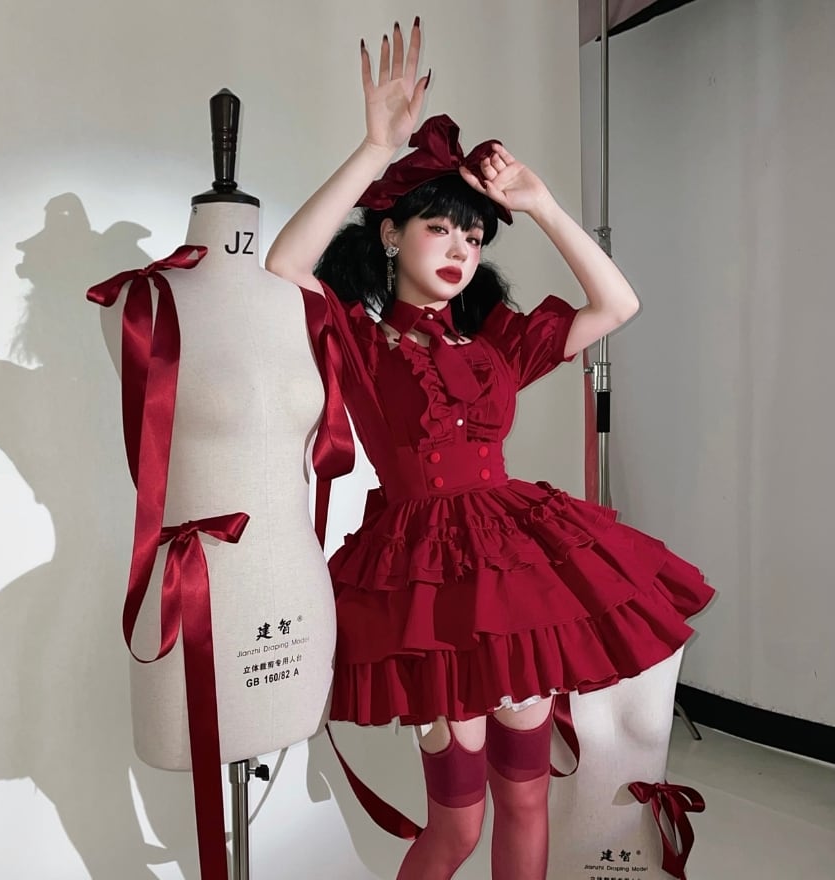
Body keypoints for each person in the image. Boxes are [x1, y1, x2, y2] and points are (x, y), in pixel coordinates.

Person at [266, 20, 713, 880]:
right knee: (457, 826)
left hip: (513, 570)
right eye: (440, 229)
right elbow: (286, 264)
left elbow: (617, 304)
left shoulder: (496, 345)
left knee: (528, 801)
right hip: (428, 581)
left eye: (473, 239)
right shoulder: (357, 339)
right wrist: (374, 149)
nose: (461, 251)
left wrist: (540, 204)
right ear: (392, 234)